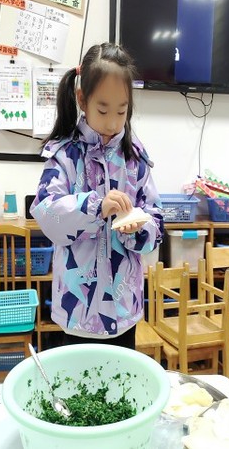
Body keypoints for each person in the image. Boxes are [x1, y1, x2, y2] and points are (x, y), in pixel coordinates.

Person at [30, 42, 163, 350]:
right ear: (82, 99)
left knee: (121, 379)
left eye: (122, 111)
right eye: (103, 110)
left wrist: (137, 229)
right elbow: (47, 213)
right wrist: (95, 207)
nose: (113, 122)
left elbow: (156, 223)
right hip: (77, 310)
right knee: (79, 380)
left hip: (123, 309)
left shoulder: (135, 158)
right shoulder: (64, 155)